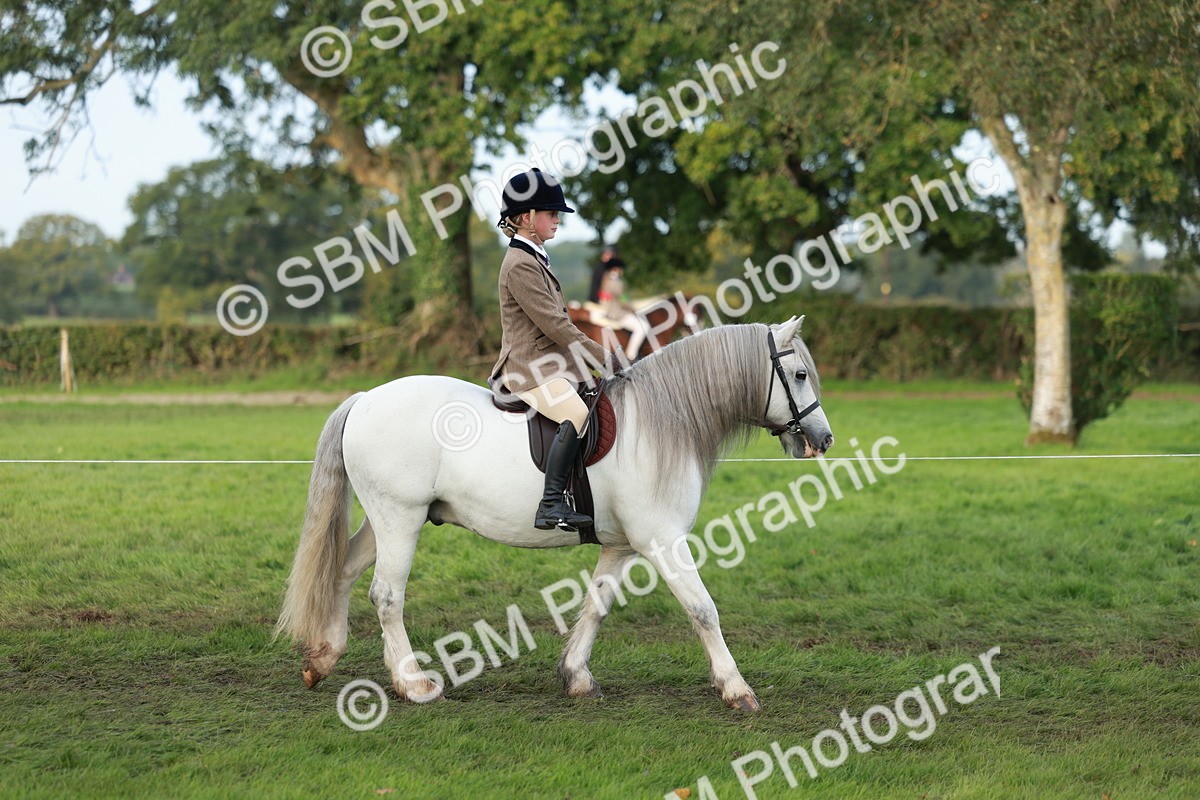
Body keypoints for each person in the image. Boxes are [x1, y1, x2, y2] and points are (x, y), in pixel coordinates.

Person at [488, 169, 618, 532]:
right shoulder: (519, 264)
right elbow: (557, 326)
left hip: (550, 363)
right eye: (551, 213)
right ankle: (551, 504)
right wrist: (604, 359)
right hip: (527, 367)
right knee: (576, 414)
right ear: (527, 217)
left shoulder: (536, 256)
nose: (557, 219)